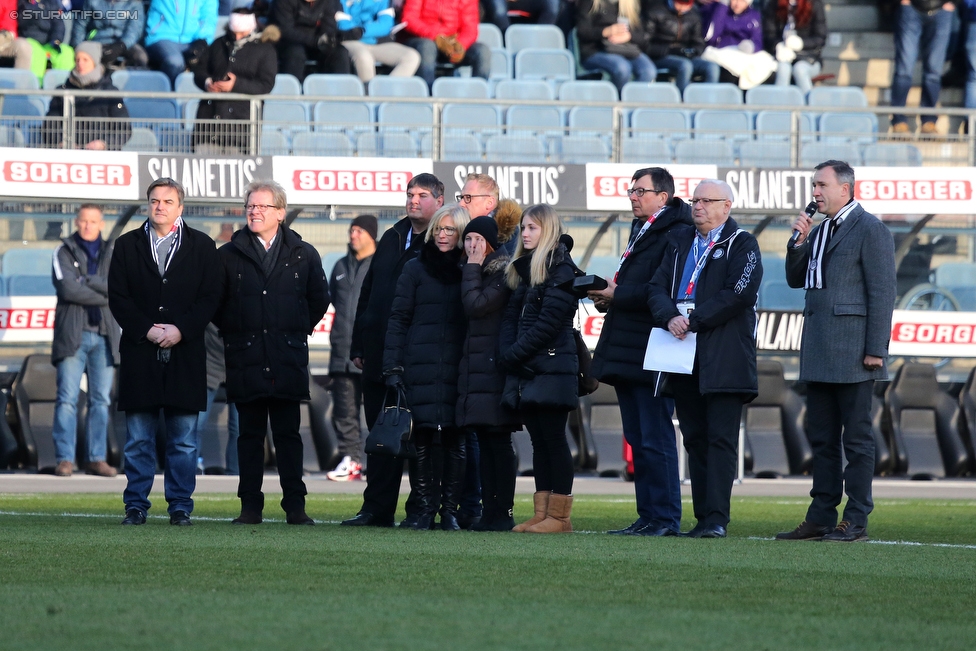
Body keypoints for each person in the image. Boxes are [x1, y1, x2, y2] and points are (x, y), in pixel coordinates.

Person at [777, 160, 896, 543]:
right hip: (818, 348)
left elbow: (882, 292)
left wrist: (876, 349)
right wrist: (797, 243)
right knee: (823, 438)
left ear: (845, 189)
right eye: (814, 185)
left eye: (821, 185)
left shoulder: (870, 229)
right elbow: (797, 280)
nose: (815, 192)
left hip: (854, 351)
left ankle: (856, 518)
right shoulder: (821, 229)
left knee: (857, 440)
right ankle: (821, 516)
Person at [647, 179, 763, 538]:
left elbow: (739, 293)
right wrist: (670, 317)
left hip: (724, 355)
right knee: (695, 437)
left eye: (706, 200)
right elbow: (656, 287)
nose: (697, 206)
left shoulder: (742, 243)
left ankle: (716, 519)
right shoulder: (679, 242)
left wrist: (694, 320)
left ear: (726, 206)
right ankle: (701, 518)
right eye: (695, 200)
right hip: (683, 353)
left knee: (721, 439)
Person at [212, 180, 330, 526]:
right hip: (244, 356)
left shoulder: (304, 253)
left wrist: (295, 329)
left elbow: (318, 299)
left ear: (280, 212)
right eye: (251, 205)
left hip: (286, 357)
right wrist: (236, 329)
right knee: (247, 436)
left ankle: (295, 506)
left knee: (288, 436)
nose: (255, 212)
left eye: (263, 206)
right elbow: (216, 304)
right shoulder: (227, 254)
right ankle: (250, 506)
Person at [108, 177, 222, 526]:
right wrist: (147, 329)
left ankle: (180, 507)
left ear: (180, 207)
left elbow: (210, 297)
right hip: (141, 352)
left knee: (184, 441)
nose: (160, 206)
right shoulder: (127, 245)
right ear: (148, 204)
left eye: (167, 201)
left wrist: (181, 330)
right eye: (155, 200)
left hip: (185, 354)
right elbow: (118, 298)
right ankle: (136, 506)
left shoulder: (202, 246)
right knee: (138, 439)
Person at [588, 167, 692, 537]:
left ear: (663, 196)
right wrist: (609, 297)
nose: (633, 196)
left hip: (652, 346)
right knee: (637, 436)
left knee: (655, 434)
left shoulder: (678, 232)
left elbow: (658, 289)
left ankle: (665, 518)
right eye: (631, 191)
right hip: (629, 343)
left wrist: (619, 295)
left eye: (641, 191)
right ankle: (648, 515)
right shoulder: (644, 228)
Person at [341, 173, 444, 528]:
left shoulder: (444, 239)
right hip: (377, 354)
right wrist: (359, 343)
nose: (414, 200)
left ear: (440, 201)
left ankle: (421, 510)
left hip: (417, 358)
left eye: (422, 195)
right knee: (380, 435)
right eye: (410, 194)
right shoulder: (392, 236)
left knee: (418, 438)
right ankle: (376, 509)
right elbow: (368, 293)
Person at [384, 203, 469, 530]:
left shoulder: (471, 270)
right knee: (420, 441)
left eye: (450, 229)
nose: (444, 235)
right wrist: (392, 365)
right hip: (418, 367)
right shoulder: (415, 269)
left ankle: (449, 511)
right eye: (439, 228)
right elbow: (398, 319)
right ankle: (422, 510)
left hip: (458, 368)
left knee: (454, 441)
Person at [500, 204, 579, 534]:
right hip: (530, 368)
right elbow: (510, 319)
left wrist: (512, 355)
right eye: (524, 227)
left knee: (554, 440)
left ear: (547, 231)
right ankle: (543, 512)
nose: (525, 233)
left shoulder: (561, 270)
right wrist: (509, 353)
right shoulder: (525, 270)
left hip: (552, 366)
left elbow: (548, 324)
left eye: (532, 227)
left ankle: (559, 518)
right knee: (539, 443)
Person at [457, 216, 519, 532]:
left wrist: (471, 267)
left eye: (478, 240)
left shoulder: (502, 274)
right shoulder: (473, 271)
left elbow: (475, 305)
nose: (472, 246)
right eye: (468, 239)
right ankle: (489, 510)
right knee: (483, 438)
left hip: (495, 368)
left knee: (498, 441)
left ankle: (503, 511)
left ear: (491, 243)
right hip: (476, 369)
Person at [50, 204, 120, 478]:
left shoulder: (112, 252)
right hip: (73, 336)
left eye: (94, 221)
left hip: (104, 335)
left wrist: (87, 280)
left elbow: (119, 286)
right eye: (84, 221)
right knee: (67, 398)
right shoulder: (63, 251)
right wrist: (105, 296)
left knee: (100, 400)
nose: (89, 226)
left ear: (101, 224)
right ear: (77, 222)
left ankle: (96, 458)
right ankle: (65, 459)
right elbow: (68, 289)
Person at [326, 214, 377, 482]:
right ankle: (351, 461)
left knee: (375, 412)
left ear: (371, 235)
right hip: (342, 352)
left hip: (370, 353)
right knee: (344, 411)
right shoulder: (339, 266)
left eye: (359, 230)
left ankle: (377, 462)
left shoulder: (380, 264)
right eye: (351, 230)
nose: (353, 234)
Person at [191, 8, 278, 153]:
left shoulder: (266, 51)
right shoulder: (218, 44)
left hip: (241, 129)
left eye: (242, 34)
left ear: (252, 28)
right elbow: (199, 71)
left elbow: (266, 85)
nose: (237, 38)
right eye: (234, 33)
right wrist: (207, 83)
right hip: (208, 124)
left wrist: (235, 85)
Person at [44, 41, 131, 150]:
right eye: (77, 59)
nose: (80, 63)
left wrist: (104, 144)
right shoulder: (62, 91)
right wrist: (61, 142)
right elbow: (50, 124)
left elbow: (124, 129)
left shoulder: (111, 93)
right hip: (68, 155)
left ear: (94, 62)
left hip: (103, 157)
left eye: (85, 60)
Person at [889, 0, 955, 134]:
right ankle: (899, 121)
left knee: (933, 73)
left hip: (943, 10)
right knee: (904, 71)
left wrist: (953, 3)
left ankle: (928, 121)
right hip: (911, 9)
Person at [399, 0, 491, 89]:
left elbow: (470, 29)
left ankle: (477, 98)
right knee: (427, 47)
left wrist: (460, 45)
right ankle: (428, 99)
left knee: (482, 51)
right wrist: (436, 37)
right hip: (421, 39)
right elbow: (409, 18)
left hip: (452, 41)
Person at [576, 0, 654, 94]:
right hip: (595, 50)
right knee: (622, 68)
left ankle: (630, 102)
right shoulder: (591, 2)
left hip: (625, 49)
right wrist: (605, 32)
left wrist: (629, 36)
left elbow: (642, 35)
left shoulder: (629, 4)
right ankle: (614, 101)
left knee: (648, 71)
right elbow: (582, 31)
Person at [643, 0, 719, 93]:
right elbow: (645, 43)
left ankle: (707, 100)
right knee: (685, 66)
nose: (683, 7)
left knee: (712, 67)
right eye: (680, 3)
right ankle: (682, 101)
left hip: (685, 55)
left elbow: (698, 42)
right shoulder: (655, 12)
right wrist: (670, 50)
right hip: (661, 56)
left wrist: (693, 51)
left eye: (687, 4)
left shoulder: (693, 15)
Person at [336, 0, 421, 83]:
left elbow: (386, 24)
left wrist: (363, 31)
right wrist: (364, 32)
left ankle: (384, 94)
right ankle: (368, 94)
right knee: (364, 57)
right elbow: (343, 26)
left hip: (375, 41)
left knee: (411, 57)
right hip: (350, 41)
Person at [699, 0, 776, 90]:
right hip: (721, 52)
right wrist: (721, 8)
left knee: (767, 69)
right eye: (735, 0)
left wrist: (751, 47)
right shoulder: (719, 10)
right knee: (729, 75)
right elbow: (710, 37)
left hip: (743, 53)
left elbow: (757, 41)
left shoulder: (754, 16)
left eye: (742, 1)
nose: (737, 4)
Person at [273, 0, 351, 81]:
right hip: (290, 42)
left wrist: (328, 39)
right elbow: (285, 30)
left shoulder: (328, 2)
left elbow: (329, 27)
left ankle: (341, 89)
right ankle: (290, 90)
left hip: (317, 42)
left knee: (340, 52)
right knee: (296, 53)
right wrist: (315, 40)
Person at [144, 0, 218, 84]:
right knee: (175, 62)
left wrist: (202, 40)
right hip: (161, 36)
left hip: (193, 40)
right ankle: (169, 95)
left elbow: (209, 17)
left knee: (214, 61)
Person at [762, 0, 826, 94]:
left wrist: (801, 43)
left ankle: (808, 106)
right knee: (783, 69)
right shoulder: (774, 4)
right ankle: (780, 106)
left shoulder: (814, 4)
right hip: (782, 56)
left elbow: (820, 38)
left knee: (800, 70)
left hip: (809, 57)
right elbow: (768, 35)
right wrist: (778, 46)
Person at [456, 173, 521, 256]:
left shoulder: (510, 234)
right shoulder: (456, 229)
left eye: (468, 197)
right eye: (461, 198)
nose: (461, 204)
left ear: (489, 203)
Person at [70, 0, 148, 69]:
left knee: (140, 57)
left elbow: (134, 30)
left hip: (123, 43)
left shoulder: (135, 3)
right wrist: (78, 46)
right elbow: (80, 25)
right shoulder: (92, 1)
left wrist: (121, 46)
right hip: (97, 41)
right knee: (85, 58)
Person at [17, 0, 75, 81]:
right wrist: (37, 8)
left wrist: (56, 40)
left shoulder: (51, 3)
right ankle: (35, 87)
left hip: (48, 43)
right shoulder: (22, 3)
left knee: (66, 52)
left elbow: (58, 24)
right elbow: (22, 22)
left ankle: (63, 86)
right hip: (30, 40)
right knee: (36, 53)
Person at [0, 1, 35, 73]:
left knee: (23, 47)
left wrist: (7, 34)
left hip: (5, 37)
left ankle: (20, 83)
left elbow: (9, 23)